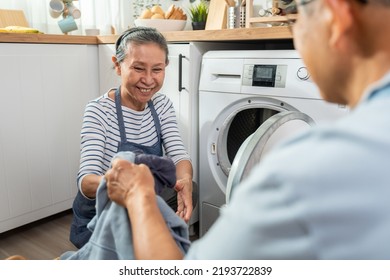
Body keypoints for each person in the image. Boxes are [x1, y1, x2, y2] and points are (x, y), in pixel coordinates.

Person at [103, 0, 390, 259]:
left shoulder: (303, 173)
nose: (298, 40)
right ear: (119, 67)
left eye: (293, 21)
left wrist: (138, 195)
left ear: (335, 18)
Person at [69, 26, 194, 249]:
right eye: (138, 68)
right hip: (103, 215)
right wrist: (133, 186)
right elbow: (86, 182)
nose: (148, 80)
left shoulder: (163, 106)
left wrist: (184, 183)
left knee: (190, 182)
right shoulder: (98, 111)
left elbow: (179, 157)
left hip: (142, 205)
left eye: (157, 70)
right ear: (118, 66)